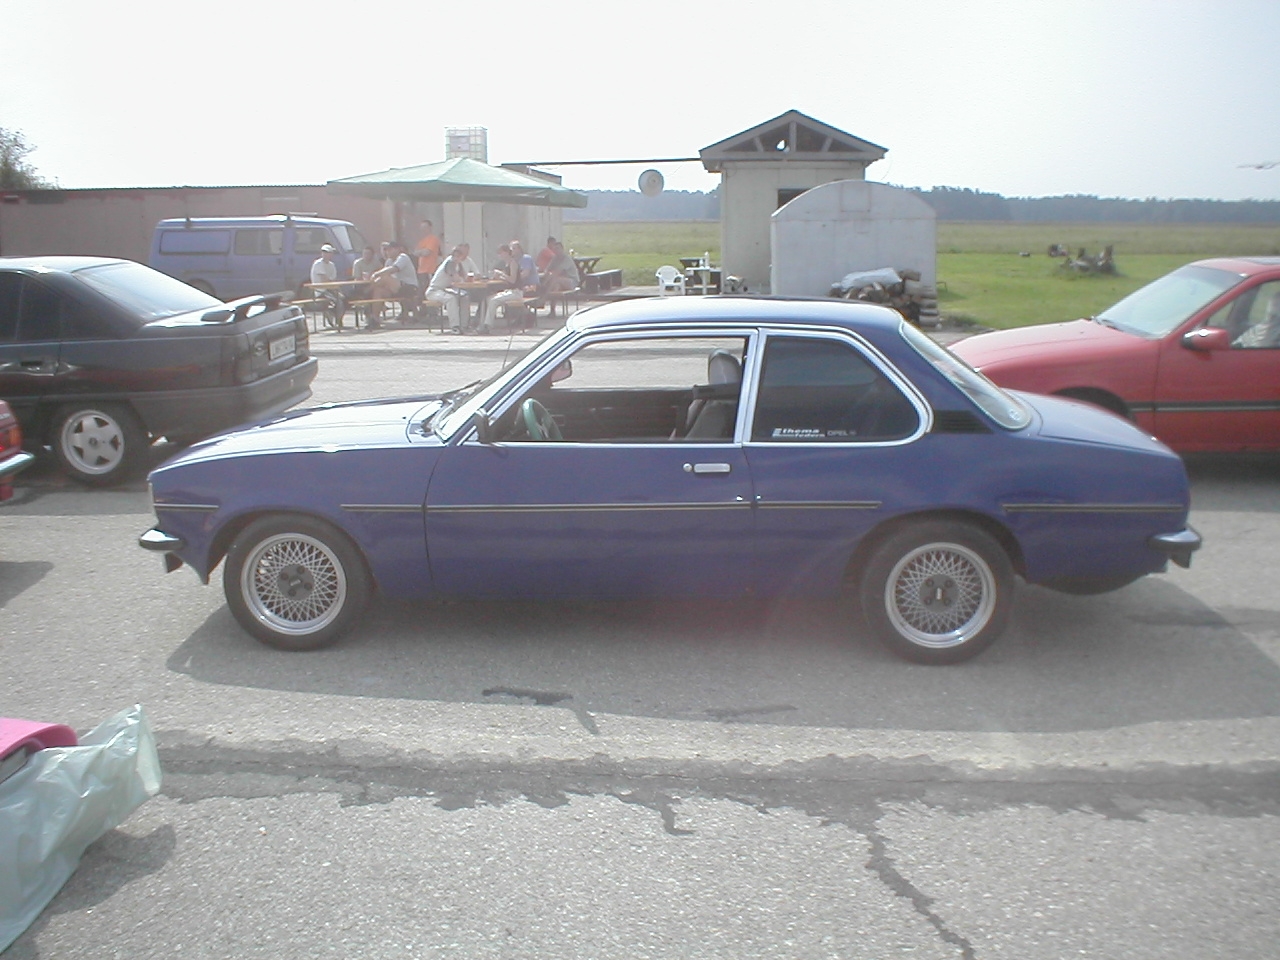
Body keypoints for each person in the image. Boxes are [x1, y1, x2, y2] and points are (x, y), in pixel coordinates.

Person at [478, 241, 538, 333]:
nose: (499, 255)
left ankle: (488, 326)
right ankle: (483, 323)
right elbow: (508, 280)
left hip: (516, 292)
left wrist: (501, 274)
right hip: (509, 291)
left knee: (493, 301)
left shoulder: (513, 263)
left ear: (506, 252)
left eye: (500, 253)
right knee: (488, 298)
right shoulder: (507, 264)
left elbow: (513, 280)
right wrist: (499, 277)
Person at [367, 240, 419, 328]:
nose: (387, 252)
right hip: (395, 288)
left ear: (397, 249)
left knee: (385, 277)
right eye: (386, 250)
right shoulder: (389, 261)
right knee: (378, 291)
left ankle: (366, 291)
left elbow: (393, 269)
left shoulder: (403, 257)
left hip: (409, 287)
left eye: (390, 250)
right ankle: (375, 319)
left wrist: (376, 274)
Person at [426, 246, 466, 332]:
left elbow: (464, 277)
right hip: (433, 291)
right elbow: (456, 278)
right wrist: (461, 279)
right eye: (455, 255)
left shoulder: (458, 264)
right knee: (450, 299)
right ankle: (455, 326)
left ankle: (464, 325)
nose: (456, 258)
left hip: (443, 290)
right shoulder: (450, 262)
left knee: (464, 297)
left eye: (459, 256)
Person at [309, 243, 343, 326]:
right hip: (320, 291)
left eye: (328, 252)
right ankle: (331, 315)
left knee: (344, 299)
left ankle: (338, 318)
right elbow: (324, 280)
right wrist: (331, 284)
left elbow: (333, 279)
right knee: (336, 300)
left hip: (330, 289)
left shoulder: (332, 265)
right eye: (324, 252)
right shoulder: (318, 264)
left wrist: (334, 287)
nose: (326, 254)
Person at [414, 220, 442, 289]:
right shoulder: (422, 241)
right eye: (422, 228)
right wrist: (422, 252)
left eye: (425, 227)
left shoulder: (433, 239)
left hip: (430, 270)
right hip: (421, 270)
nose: (423, 229)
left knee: (428, 289)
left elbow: (427, 252)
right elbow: (415, 253)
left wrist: (421, 252)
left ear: (430, 227)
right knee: (422, 290)